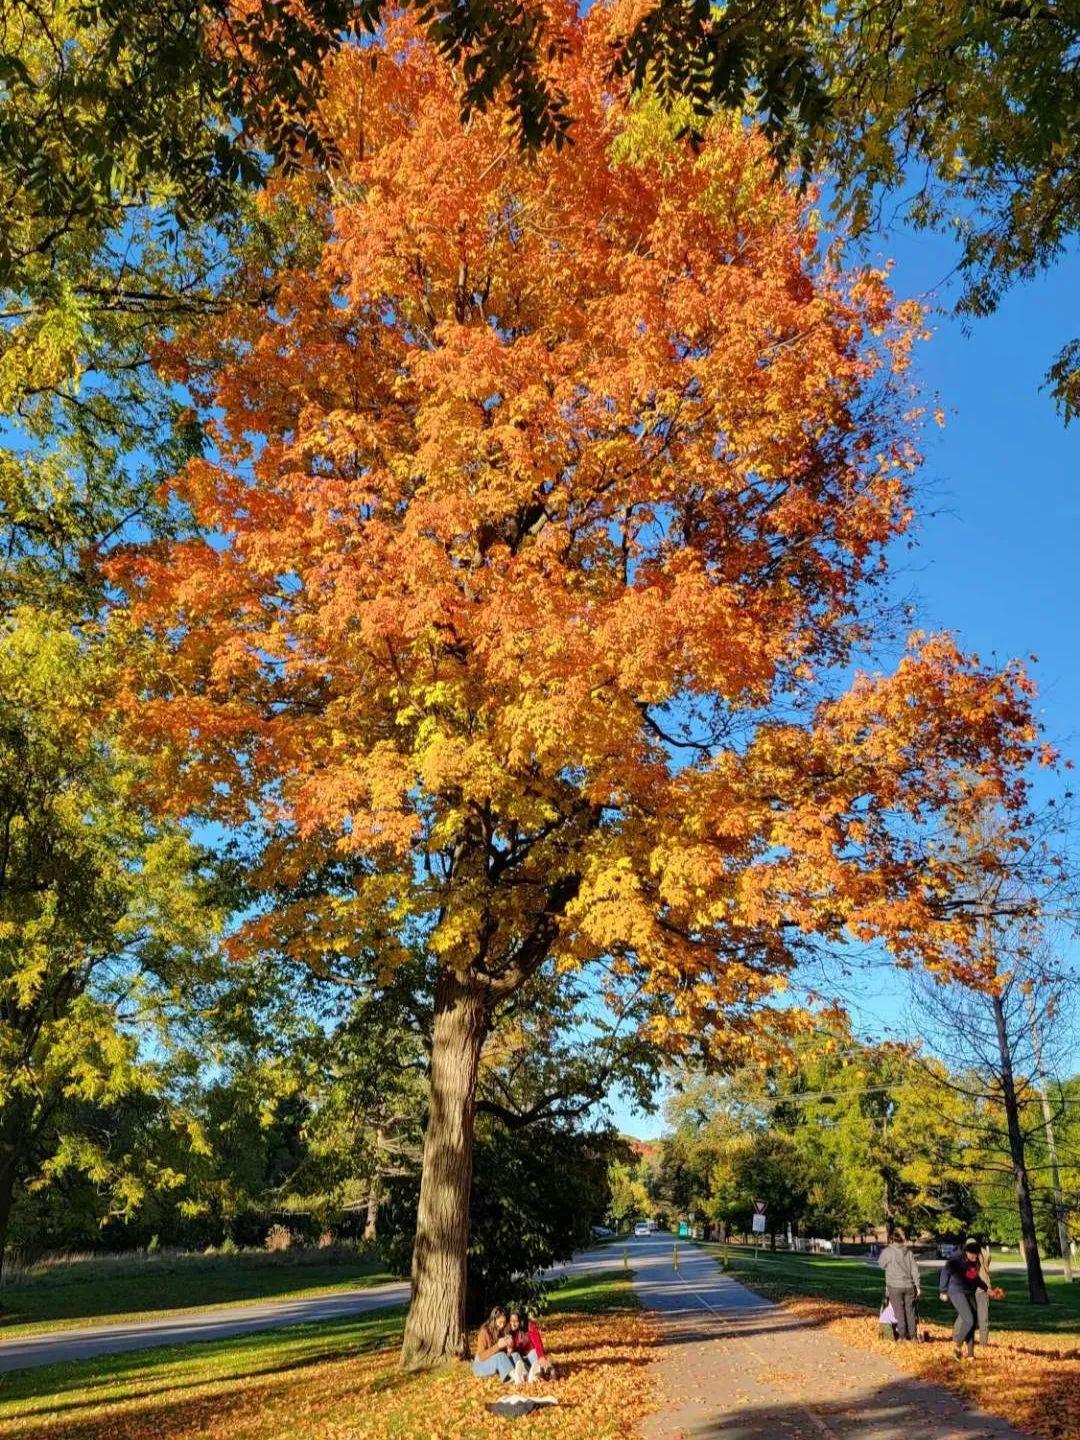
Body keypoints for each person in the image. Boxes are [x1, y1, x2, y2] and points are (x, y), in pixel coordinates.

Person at [938, 1238, 989, 1359]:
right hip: (956, 1290)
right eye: (974, 1255)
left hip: (968, 1292)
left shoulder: (974, 1261)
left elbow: (974, 1278)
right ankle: (957, 1347)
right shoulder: (956, 1259)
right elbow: (945, 1272)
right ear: (967, 1252)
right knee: (969, 1320)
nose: (975, 1258)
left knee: (973, 1322)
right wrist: (943, 1291)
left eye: (977, 1256)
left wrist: (987, 1289)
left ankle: (971, 1354)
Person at [877, 1229, 921, 1342]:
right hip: (909, 1286)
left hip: (894, 1286)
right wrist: (918, 1286)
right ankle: (913, 1336)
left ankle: (902, 1336)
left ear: (892, 1239)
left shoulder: (888, 1252)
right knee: (910, 1312)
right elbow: (914, 1270)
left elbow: (881, 1264)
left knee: (899, 1312)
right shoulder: (909, 1253)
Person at [473, 1306, 526, 1383]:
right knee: (500, 1355)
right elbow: (481, 1357)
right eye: (500, 1322)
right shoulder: (484, 1332)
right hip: (480, 1366)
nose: (502, 1325)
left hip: (495, 1363)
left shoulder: (502, 1331)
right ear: (494, 1320)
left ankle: (525, 1375)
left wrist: (509, 1350)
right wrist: (498, 1346)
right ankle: (514, 1378)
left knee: (515, 1355)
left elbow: (505, 1358)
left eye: (504, 1322)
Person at [509, 1307, 555, 1381]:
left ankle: (537, 1374)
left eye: (515, 1321)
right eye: (511, 1321)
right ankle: (524, 1374)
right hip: (521, 1359)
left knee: (533, 1352)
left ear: (521, 1321)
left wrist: (541, 1356)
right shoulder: (510, 1330)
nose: (512, 1324)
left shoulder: (530, 1326)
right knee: (514, 1355)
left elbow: (537, 1343)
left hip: (531, 1356)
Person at [972, 1235, 993, 1347]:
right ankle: (980, 1343)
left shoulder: (975, 1254)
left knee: (980, 1317)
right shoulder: (985, 1253)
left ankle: (982, 1343)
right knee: (981, 1317)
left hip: (980, 1289)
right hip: (980, 1288)